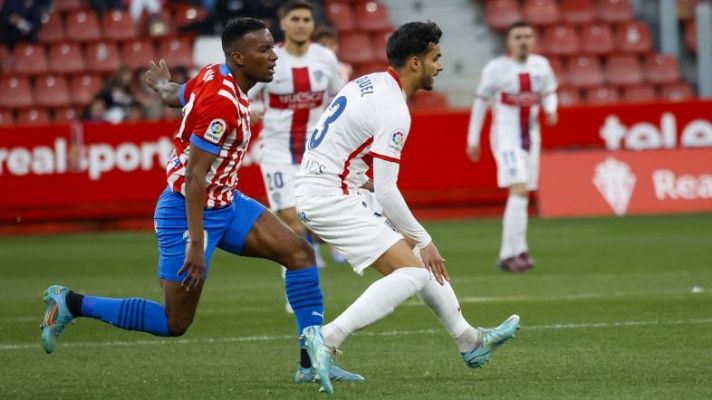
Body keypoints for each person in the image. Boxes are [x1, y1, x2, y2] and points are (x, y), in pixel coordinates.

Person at [39, 18, 335, 395]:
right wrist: (197, 242)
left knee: (300, 254)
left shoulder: (215, 74)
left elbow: (177, 95)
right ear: (239, 57)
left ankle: (310, 364)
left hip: (225, 203)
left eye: (272, 46)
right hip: (186, 210)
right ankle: (71, 303)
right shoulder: (221, 105)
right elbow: (196, 177)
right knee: (173, 321)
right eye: (263, 50)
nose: (273, 55)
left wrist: (162, 84)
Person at [294, 21, 520, 376]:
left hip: (325, 187)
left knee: (414, 262)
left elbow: (342, 147)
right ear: (415, 62)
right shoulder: (394, 108)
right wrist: (425, 239)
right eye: (436, 57)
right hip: (329, 195)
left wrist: (360, 184)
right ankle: (327, 338)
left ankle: (470, 341)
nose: (441, 66)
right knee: (415, 269)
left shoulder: (367, 83)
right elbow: (386, 190)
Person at [248, 1, 349, 307]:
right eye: (296, 19)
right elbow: (244, 95)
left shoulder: (325, 59)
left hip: (316, 153)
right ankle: (297, 296)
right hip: (277, 151)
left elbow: (341, 98)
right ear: (284, 23)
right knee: (291, 223)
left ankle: (337, 252)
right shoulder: (269, 59)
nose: (302, 24)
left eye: (307, 19)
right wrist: (250, 109)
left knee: (314, 224)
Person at [466, 21, 558, 273]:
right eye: (518, 37)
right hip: (506, 139)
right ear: (509, 42)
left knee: (523, 193)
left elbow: (550, 91)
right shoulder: (496, 69)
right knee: (518, 189)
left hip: (531, 139)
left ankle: (520, 250)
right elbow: (480, 103)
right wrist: (472, 139)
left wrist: (551, 109)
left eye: (528, 36)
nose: (524, 41)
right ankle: (508, 254)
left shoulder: (542, 66)